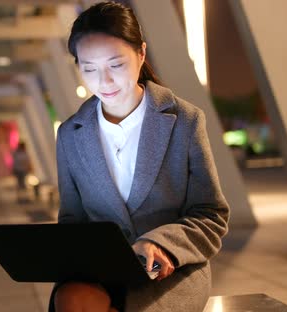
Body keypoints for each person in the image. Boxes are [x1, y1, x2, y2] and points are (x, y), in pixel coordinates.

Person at [51, 2, 230, 311]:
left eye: (115, 65)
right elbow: (72, 220)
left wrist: (162, 242)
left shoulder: (185, 121)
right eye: (89, 69)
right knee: (71, 300)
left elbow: (211, 214)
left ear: (141, 53)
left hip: (170, 270)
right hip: (100, 272)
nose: (103, 82)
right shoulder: (70, 134)